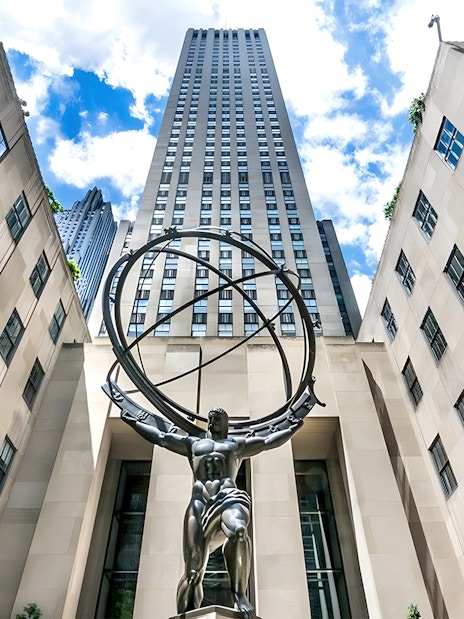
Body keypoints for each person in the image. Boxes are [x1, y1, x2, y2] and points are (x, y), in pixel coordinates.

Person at [121, 406, 302, 618]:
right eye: (211, 418)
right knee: (193, 572)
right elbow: (161, 437)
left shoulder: (236, 445)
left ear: (227, 423)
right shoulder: (194, 444)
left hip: (227, 498)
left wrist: (294, 425)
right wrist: (133, 422)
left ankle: (239, 594)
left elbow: (268, 441)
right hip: (200, 503)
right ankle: (185, 614)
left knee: (239, 532)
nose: (213, 421)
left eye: (218, 418)